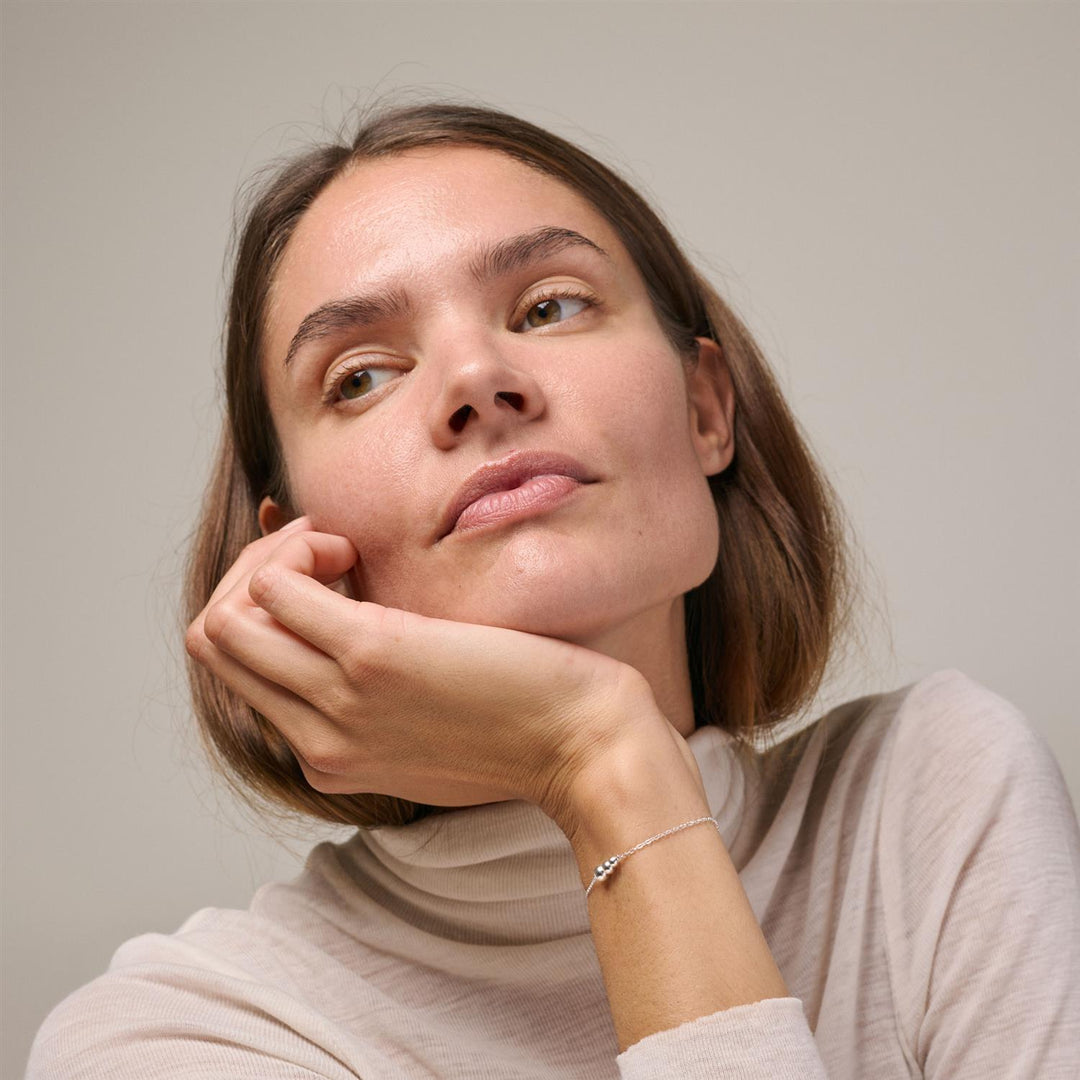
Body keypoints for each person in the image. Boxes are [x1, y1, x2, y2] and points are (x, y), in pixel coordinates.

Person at [26, 101, 1080, 1079]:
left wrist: (606, 768)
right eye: (362, 374)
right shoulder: (179, 1033)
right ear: (295, 550)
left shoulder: (933, 806)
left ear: (708, 411)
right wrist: (600, 756)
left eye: (549, 306)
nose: (478, 380)